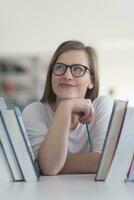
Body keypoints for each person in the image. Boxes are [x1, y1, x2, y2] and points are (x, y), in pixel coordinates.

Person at [22, 40, 113, 176]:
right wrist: (66, 107)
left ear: (91, 81)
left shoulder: (101, 106)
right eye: (59, 67)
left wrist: (50, 163)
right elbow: (49, 169)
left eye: (77, 69)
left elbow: (104, 161)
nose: (67, 76)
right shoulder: (34, 112)